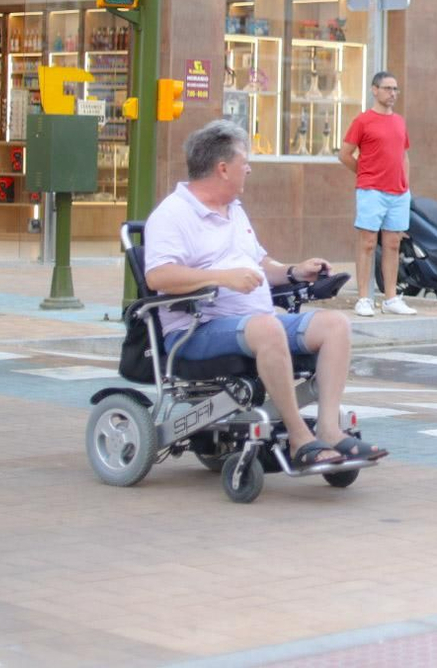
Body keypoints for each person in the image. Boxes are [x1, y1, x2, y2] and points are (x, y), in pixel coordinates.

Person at [145, 119, 386, 468]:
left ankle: (330, 431)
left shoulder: (234, 211)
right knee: (268, 327)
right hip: (198, 329)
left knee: (335, 325)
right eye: (245, 162)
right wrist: (222, 278)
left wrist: (292, 271)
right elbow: (159, 276)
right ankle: (299, 439)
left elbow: (261, 265)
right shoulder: (173, 214)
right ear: (223, 168)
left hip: (255, 322)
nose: (249, 169)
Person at [338, 70, 415, 317]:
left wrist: (406, 186)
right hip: (371, 191)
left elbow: (404, 156)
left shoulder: (400, 121)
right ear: (374, 90)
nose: (392, 93)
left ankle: (391, 298)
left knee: (393, 244)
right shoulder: (363, 120)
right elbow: (345, 154)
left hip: (398, 193)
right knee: (368, 243)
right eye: (387, 88)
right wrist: (365, 174)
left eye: (395, 89)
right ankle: (364, 299)